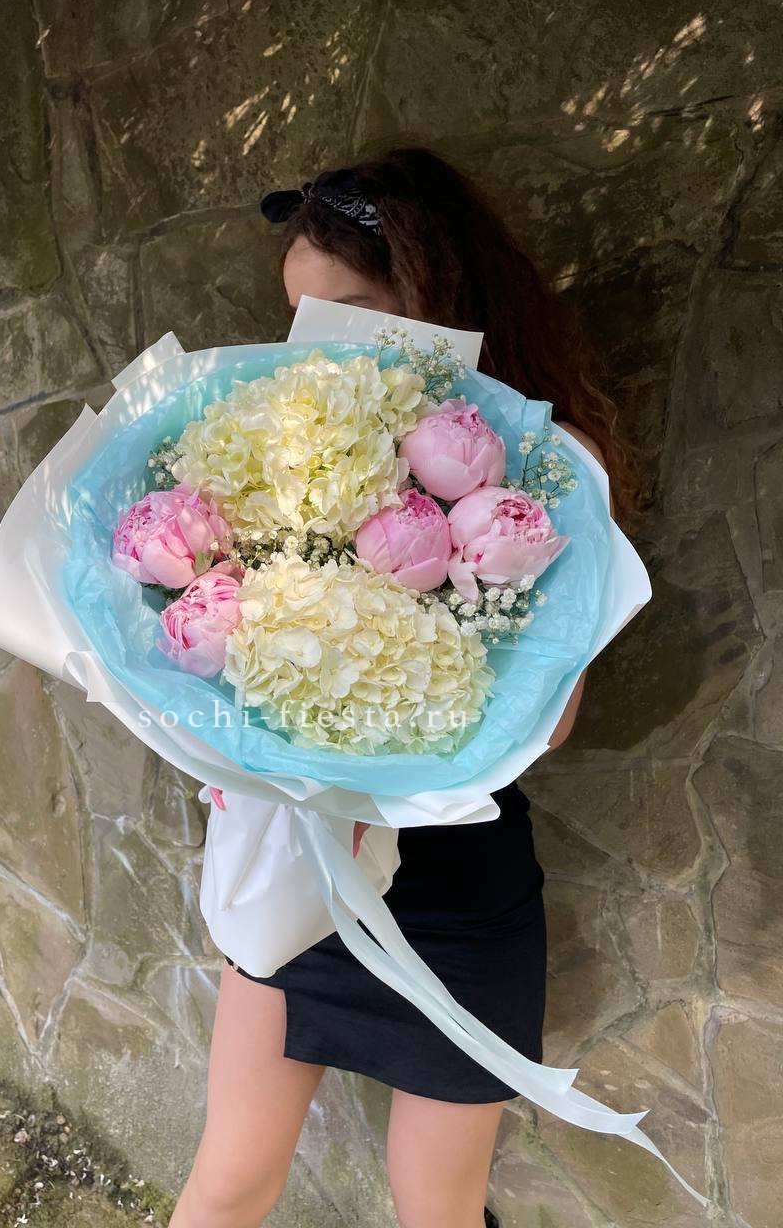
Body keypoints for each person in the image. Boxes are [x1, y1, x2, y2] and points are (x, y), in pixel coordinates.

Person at [168, 144, 642, 1228]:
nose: (316, 344)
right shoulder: (272, 457)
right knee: (228, 1183)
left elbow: (550, 726)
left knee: (439, 1210)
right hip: (301, 874)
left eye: (348, 311)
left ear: (435, 298)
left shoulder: (542, 465)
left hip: (458, 891)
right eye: (298, 316)